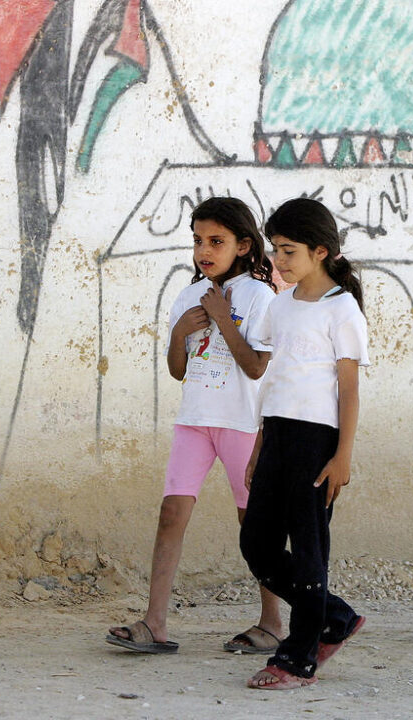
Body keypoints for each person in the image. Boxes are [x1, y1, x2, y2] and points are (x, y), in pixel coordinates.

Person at [106, 197, 284, 655]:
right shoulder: (188, 296)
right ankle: (155, 623)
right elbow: (177, 370)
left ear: (244, 246)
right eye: (198, 241)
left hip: (241, 424)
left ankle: (272, 622)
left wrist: (223, 320)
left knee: (254, 525)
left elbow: (257, 367)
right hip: (194, 422)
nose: (204, 250)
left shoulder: (258, 297)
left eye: (217, 241)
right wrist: (179, 332)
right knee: (171, 516)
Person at [240, 197, 368, 689]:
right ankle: (334, 616)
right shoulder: (279, 305)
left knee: (310, 547)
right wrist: (259, 445)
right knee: (257, 544)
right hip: (277, 435)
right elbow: (275, 378)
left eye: (289, 251)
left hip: (318, 443)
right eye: (275, 250)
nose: (279, 261)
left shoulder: (343, 309)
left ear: (321, 251)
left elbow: (349, 389)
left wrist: (343, 456)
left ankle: (296, 658)